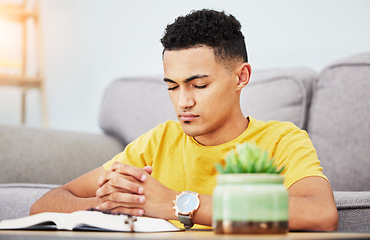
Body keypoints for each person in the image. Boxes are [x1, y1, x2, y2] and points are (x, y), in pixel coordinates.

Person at [30, 9, 338, 231]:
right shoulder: (159, 140)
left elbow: (320, 212)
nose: (183, 102)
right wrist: (116, 205)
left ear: (241, 77)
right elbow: (46, 203)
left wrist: (175, 203)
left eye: (199, 85)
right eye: (172, 86)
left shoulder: (281, 139)